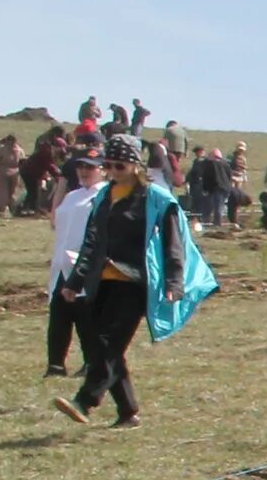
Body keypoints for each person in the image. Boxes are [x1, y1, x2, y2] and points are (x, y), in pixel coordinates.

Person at [50, 135, 187, 430]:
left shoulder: (155, 199)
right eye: (108, 164)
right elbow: (91, 243)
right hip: (102, 280)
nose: (112, 170)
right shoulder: (103, 197)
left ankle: (85, 400)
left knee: (107, 343)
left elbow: (173, 244)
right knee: (104, 347)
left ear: (135, 164)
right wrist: (74, 281)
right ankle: (128, 412)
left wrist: (174, 283)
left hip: (135, 281)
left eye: (119, 165)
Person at [44, 152, 101, 376]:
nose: (84, 172)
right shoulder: (72, 196)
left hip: (83, 265)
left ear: (102, 169)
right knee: (59, 314)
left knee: (85, 316)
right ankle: (55, 364)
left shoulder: (103, 196)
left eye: (90, 167)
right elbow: (56, 222)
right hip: (61, 263)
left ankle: (92, 362)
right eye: (81, 167)